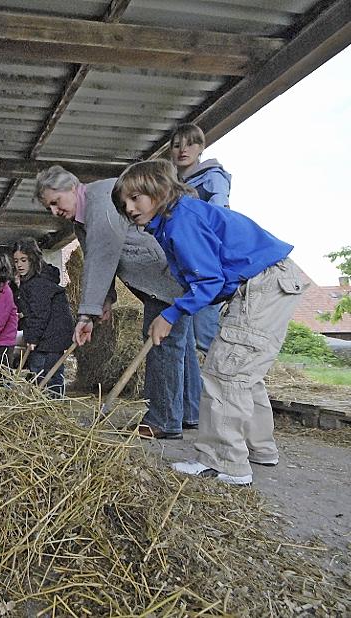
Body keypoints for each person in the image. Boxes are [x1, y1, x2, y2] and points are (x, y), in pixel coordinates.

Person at [113, 159, 306, 486]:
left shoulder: (180, 222)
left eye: (136, 198)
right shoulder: (177, 220)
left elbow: (209, 281)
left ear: (160, 190)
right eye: (124, 203)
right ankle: (259, 448)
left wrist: (169, 314)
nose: (129, 208)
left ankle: (226, 463)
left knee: (224, 372)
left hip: (261, 284)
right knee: (244, 371)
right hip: (271, 280)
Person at [35, 165, 200, 438]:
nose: (54, 211)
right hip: (160, 278)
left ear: (72, 187)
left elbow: (102, 256)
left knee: (162, 344)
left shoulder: (101, 199)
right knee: (179, 346)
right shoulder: (83, 217)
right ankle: (187, 414)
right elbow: (97, 258)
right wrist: (106, 300)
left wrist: (86, 314)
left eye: (55, 202)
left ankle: (162, 421)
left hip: (164, 275)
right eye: (48, 207)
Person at [170, 123, 233, 354]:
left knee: (204, 329)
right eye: (176, 145)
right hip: (183, 261)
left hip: (206, 258)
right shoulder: (171, 185)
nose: (182, 150)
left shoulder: (213, 178)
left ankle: (216, 381)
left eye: (189, 144)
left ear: (201, 147)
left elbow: (220, 216)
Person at [12, 238, 74, 397]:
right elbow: (35, 310)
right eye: (16, 260)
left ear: (33, 259)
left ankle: (52, 408)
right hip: (48, 334)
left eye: (24, 260)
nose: (19, 265)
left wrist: (32, 338)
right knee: (40, 372)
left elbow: (40, 314)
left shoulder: (37, 282)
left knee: (46, 374)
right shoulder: (33, 281)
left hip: (52, 335)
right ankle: (43, 405)